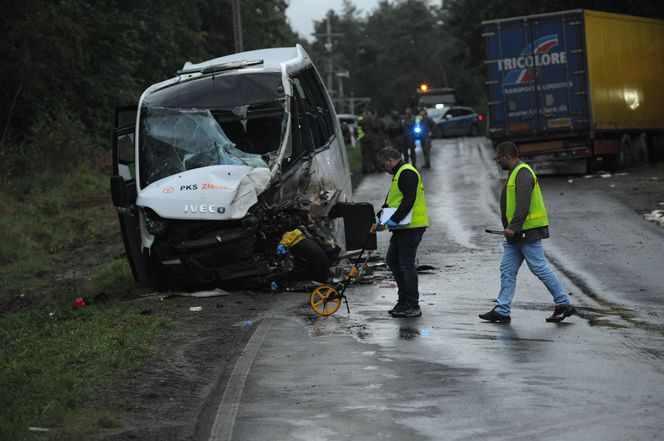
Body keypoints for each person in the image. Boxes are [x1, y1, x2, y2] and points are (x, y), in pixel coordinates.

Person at [479, 141, 576, 323]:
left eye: (499, 157)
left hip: (526, 232)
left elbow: (523, 205)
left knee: (539, 267)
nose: (498, 161)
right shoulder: (515, 173)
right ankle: (502, 310)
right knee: (507, 270)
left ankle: (563, 303)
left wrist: (513, 227)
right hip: (517, 234)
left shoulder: (522, 173)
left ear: (507, 156)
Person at [377, 146, 429, 318]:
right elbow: (394, 201)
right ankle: (403, 300)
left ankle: (412, 304)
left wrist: (394, 219)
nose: (385, 169)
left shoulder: (407, 172)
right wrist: (382, 217)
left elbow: (409, 200)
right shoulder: (399, 174)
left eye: (384, 165)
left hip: (411, 227)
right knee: (392, 260)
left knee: (406, 264)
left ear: (390, 160)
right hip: (402, 228)